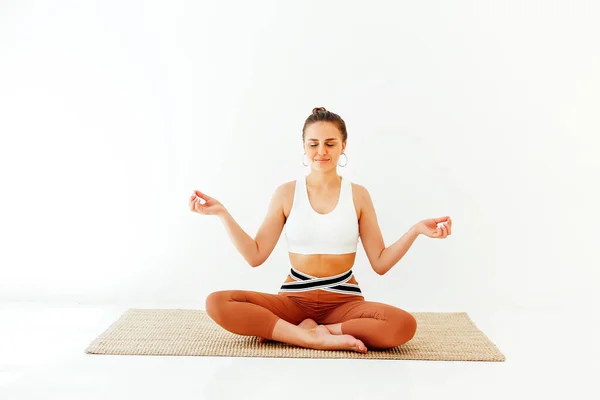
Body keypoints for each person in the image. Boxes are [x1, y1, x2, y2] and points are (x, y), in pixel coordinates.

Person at [189, 107, 452, 354]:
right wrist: (222, 213)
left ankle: (319, 331)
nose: (321, 152)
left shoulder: (358, 195)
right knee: (216, 302)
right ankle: (306, 336)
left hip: (343, 303)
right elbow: (255, 255)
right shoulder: (286, 193)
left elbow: (380, 263)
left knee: (402, 324)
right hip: (292, 302)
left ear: (343, 146)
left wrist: (416, 230)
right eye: (313, 144)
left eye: (330, 143)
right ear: (303, 147)